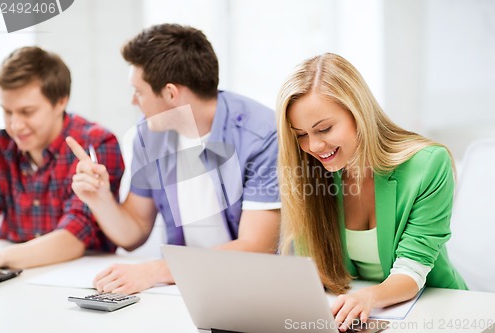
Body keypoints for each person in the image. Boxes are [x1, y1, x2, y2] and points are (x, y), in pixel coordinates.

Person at [66, 23, 281, 294]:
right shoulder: (149, 135)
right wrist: (100, 198)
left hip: (253, 288)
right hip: (185, 288)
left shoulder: (260, 135)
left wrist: (156, 270)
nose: (134, 101)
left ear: (170, 93)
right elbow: (133, 232)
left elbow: (256, 247)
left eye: (139, 91)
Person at [276, 53, 466, 331]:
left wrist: (367, 297)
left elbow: (411, 271)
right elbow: (313, 271)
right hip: (353, 317)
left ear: (358, 113)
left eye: (324, 129)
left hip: (434, 312)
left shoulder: (427, 165)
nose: (313, 146)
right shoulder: (310, 171)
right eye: (301, 135)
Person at [0, 46, 125, 269]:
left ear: (60, 102)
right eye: (7, 111)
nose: (15, 125)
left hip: (79, 278)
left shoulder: (97, 143)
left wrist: (2, 258)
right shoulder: (2, 145)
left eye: (27, 112)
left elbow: (75, 237)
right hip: (17, 275)